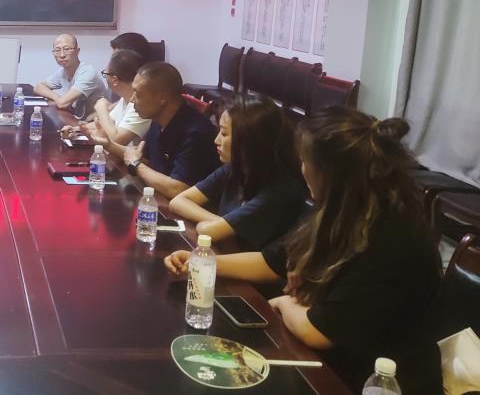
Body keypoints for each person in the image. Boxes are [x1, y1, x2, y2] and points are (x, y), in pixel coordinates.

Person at [164, 108, 443, 395]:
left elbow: (317, 331)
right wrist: (202, 261)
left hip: (375, 381)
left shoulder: (392, 237)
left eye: (305, 160)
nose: (302, 168)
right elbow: (270, 262)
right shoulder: (337, 210)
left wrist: (285, 302)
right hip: (333, 362)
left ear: (329, 172)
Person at [168, 95, 307, 250]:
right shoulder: (236, 167)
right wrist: (223, 223)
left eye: (224, 134)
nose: (216, 140)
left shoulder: (281, 190)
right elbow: (178, 202)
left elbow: (208, 231)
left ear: (249, 139)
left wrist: (220, 225)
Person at [123, 61, 218, 199]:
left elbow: (178, 189)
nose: (132, 99)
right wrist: (108, 144)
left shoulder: (197, 132)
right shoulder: (158, 120)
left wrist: (136, 165)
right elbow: (141, 157)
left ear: (162, 97)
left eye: (137, 93)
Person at [61, 49, 150, 152]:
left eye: (106, 73)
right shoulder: (124, 99)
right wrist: (76, 129)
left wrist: (101, 108)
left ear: (115, 80)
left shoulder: (141, 106)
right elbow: (106, 124)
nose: (105, 78)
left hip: (125, 160)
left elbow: (116, 140)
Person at [33, 33, 108, 118]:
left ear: (77, 51)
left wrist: (60, 100)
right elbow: (38, 87)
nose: (62, 55)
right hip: (79, 121)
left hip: (98, 122)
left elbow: (63, 103)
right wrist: (57, 97)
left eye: (67, 49)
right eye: (57, 50)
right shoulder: (63, 72)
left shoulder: (88, 72)